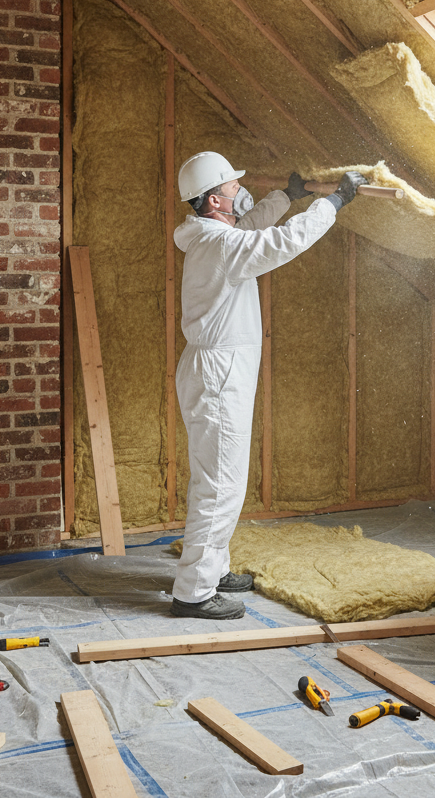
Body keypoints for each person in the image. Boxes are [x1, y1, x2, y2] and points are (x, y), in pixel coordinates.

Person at [171, 152, 366, 620]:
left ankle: (213, 571)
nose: (241, 191)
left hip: (215, 370)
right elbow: (279, 242)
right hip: (219, 375)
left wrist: (285, 197)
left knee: (217, 479)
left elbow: (251, 229)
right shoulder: (220, 245)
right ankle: (194, 592)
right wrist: (333, 202)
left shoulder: (215, 236)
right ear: (215, 200)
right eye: (233, 187)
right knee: (220, 484)